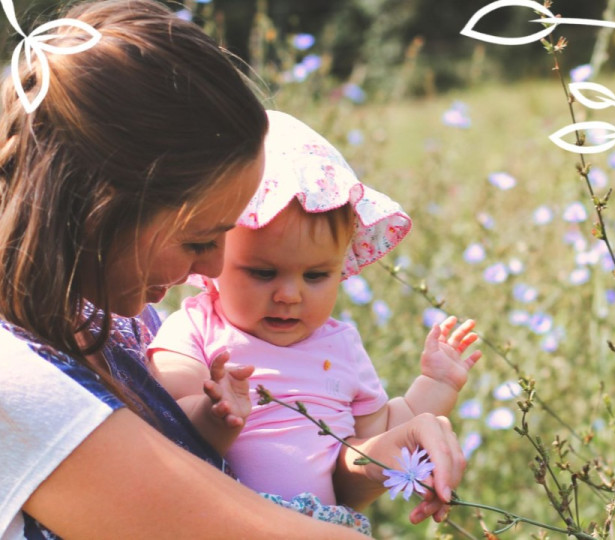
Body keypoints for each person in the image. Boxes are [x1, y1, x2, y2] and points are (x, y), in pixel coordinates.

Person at [0, 2, 465, 539]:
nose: (215, 267)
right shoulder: (18, 381)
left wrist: (385, 451)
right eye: (198, 238)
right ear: (100, 207)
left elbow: (318, 484)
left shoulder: (124, 322)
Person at [148, 110, 482, 534]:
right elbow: (167, 414)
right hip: (229, 521)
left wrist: (437, 387)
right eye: (263, 273)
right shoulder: (197, 324)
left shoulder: (340, 346)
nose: (290, 294)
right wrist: (213, 413)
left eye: (316, 275)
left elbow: (376, 439)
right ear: (215, 255)